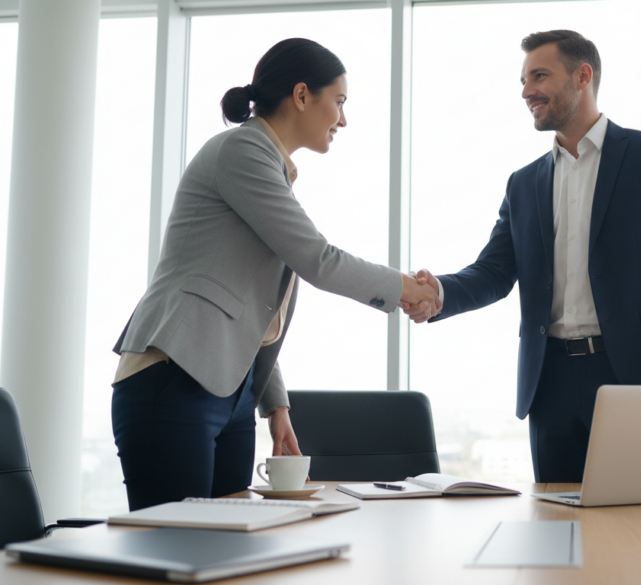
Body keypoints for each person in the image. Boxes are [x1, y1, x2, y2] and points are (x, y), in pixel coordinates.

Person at [111, 38, 440, 511]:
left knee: (226, 552)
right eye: (339, 101)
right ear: (302, 95)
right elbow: (317, 259)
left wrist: (275, 403)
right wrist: (407, 288)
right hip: (173, 377)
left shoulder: (268, 167)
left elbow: (248, 308)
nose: (343, 119)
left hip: (229, 390)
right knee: (174, 551)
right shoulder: (243, 150)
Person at [403, 30, 641, 482]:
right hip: (549, 384)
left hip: (635, 376)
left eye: (540, 75)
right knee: (557, 530)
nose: (527, 90)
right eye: (524, 79)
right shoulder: (524, 183)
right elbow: (494, 271)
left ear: (582, 76)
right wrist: (439, 292)